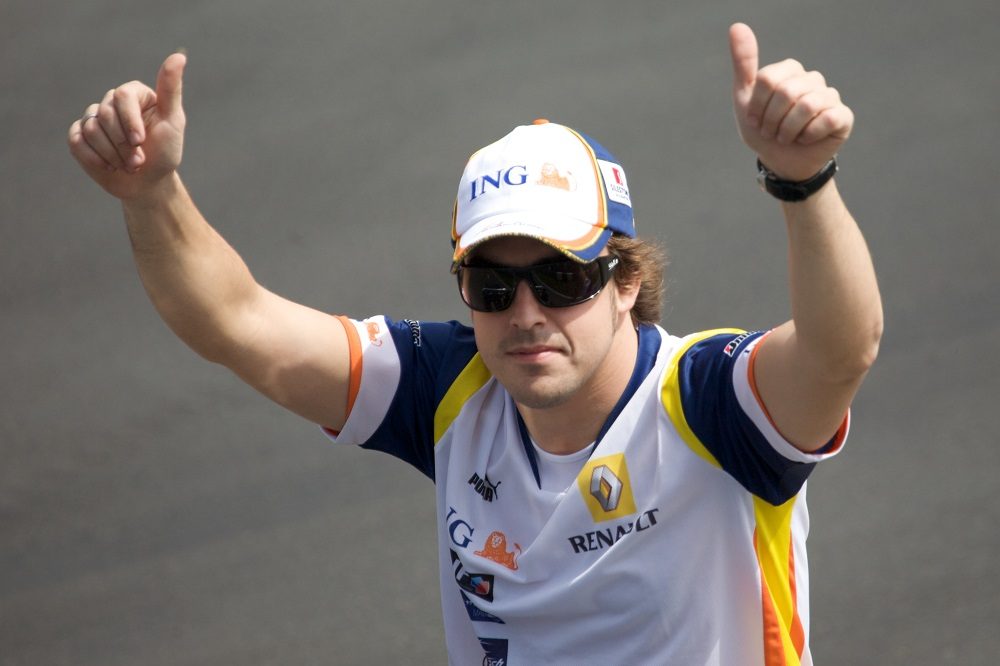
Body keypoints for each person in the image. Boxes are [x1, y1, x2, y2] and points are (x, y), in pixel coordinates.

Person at [68, 22, 882, 665]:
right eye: (493, 286)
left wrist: (803, 183)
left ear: (626, 282)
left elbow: (841, 351)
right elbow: (236, 322)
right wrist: (151, 195)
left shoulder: (711, 403)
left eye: (562, 280)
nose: (526, 312)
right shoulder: (448, 386)